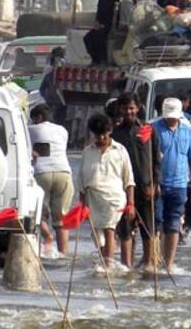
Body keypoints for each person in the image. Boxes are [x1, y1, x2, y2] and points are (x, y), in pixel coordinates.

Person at [78, 113, 135, 268]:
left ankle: (108, 267)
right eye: (97, 135)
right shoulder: (87, 152)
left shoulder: (120, 150)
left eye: (104, 134)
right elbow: (81, 180)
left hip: (114, 199)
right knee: (98, 236)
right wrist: (82, 205)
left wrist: (131, 203)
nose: (101, 138)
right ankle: (105, 261)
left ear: (110, 131)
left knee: (109, 230)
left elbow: (129, 180)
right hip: (93, 199)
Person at [112, 93, 161, 270]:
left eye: (131, 108)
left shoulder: (147, 130)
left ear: (138, 108)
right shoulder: (115, 134)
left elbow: (157, 159)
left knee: (148, 228)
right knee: (125, 229)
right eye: (125, 108)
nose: (128, 112)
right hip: (124, 189)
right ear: (120, 109)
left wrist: (155, 184)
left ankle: (149, 263)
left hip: (146, 188)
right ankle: (127, 266)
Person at [153, 98, 191, 272]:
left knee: (173, 224)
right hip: (158, 184)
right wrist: (151, 182)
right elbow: (148, 159)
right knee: (156, 222)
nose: (171, 119)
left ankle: (169, 263)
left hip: (179, 185)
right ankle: (154, 258)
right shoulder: (154, 129)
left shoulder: (188, 132)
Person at [28, 104, 74, 256]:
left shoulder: (31, 130)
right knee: (62, 220)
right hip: (64, 172)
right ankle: (63, 254)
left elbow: (29, 150)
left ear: (38, 117)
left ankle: (47, 236)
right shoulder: (62, 130)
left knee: (38, 214)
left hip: (41, 173)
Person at [84, 0, 119, 65]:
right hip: (100, 26)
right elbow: (99, 14)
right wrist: (97, 23)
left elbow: (114, 15)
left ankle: (103, 60)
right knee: (87, 38)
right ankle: (95, 60)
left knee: (100, 39)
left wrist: (105, 26)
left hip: (109, 26)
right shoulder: (101, 0)